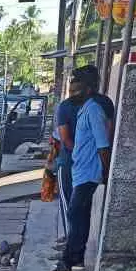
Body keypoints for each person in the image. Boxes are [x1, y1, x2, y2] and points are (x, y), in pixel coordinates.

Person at [52, 71, 111, 271]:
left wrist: (105, 170)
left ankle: (67, 261)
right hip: (80, 169)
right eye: (71, 90)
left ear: (88, 89)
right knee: (81, 214)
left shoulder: (94, 110)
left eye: (77, 90)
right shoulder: (82, 110)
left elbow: (103, 144)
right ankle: (77, 258)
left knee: (74, 213)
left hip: (89, 171)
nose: (72, 94)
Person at [52, 77, 85, 240]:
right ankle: (72, 239)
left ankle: (70, 239)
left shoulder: (66, 107)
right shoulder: (93, 106)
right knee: (77, 203)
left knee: (68, 202)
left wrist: (78, 154)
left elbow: (64, 139)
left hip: (69, 161)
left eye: (74, 90)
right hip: (84, 162)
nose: (71, 94)